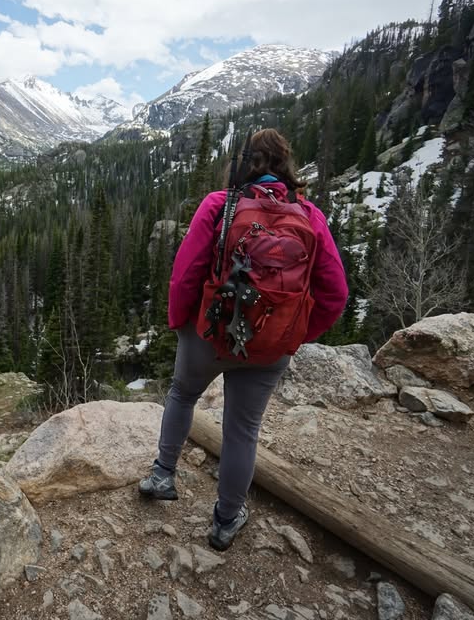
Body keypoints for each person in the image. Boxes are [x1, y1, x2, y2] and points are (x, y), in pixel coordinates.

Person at [139, 128, 348, 551]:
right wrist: (294, 335)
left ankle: (163, 476)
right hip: (270, 346)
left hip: (210, 332)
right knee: (242, 431)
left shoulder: (220, 204)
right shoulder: (309, 215)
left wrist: (181, 323)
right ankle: (226, 520)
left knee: (181, 395)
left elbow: (186, 274)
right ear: (286, 167)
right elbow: (336, 294)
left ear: (243, 163)